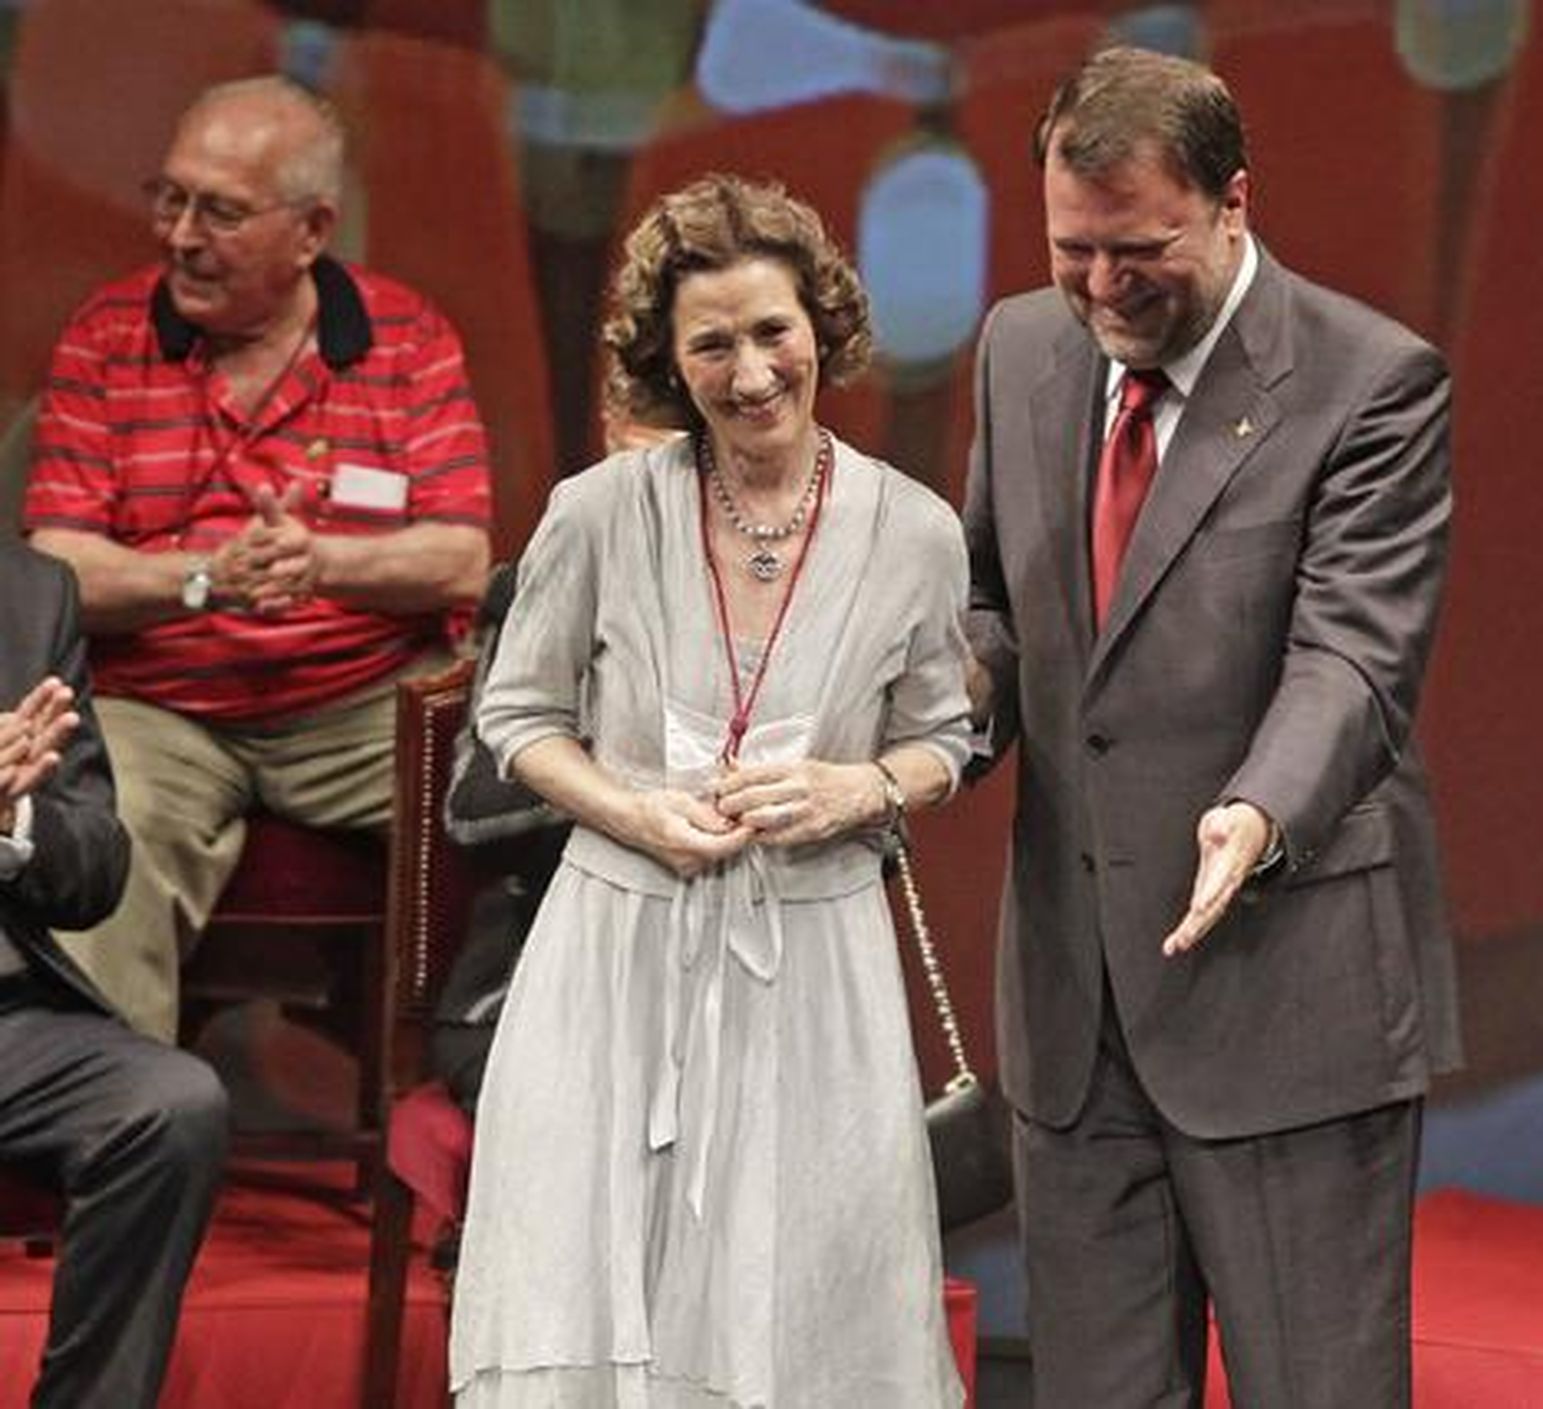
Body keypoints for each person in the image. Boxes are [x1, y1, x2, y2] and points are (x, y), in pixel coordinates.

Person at [962, 46, 1460, 1408]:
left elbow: (1354, 658)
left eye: (1140, 250)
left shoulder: (1370, 382)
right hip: (1075, 1006)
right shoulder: (1020, 349)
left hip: (1284, 991)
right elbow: (994, 611)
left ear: (1233, 203)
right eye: (1076, 250)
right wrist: (916, 721)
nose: (1103, 288)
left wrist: (1259, 810)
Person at [449, 173, 970, 1407]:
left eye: (772, 331)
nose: (750, 373)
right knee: (595, 1286)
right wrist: (629, 808)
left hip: (816, 961)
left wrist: (857, 788)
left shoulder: (916, 531)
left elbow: (942, 740)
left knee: (809, 1301)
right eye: (712, 345)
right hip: (610, 953)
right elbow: (515, 718)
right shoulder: (596, 512)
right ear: (666, 362)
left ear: (821, 326)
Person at [22, 75, 492, 1040]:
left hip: (362, 704)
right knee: (100, 833)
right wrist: (203, 579)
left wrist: (317, 562)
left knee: (507, 802)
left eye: (220, 212)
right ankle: (123, 1130)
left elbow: (460, 558)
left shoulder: (407, 339)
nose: (179, 235)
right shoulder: (108, 338)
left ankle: (462, 1097)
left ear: (312, 230)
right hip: (163, 710)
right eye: (171, 197)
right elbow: (56, 567)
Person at [0, 534, 229, 1409]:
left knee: (168, 1105)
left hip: (12, 1022)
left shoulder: (30, 592)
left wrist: (15, 813)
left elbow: (95, 868)